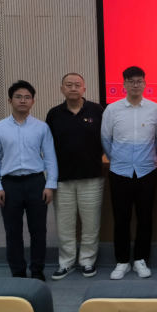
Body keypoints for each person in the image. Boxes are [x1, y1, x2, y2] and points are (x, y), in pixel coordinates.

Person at [0, 80, 58, 281]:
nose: (23, 100)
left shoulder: (41, 127)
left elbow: (50, 157)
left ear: (33, 102)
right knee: (13, 231)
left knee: (38, 231)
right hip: (9, 185)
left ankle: (37, 270)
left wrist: (50, 185)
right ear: (10, 100)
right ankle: (17, 271)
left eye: (27, 97)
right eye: (18, 97)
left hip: (36, 183)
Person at [101, 66, 157, 280]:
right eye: (131, 81)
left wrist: (150, 158)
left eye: (139, 81)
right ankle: (122, 261)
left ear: (145, 83)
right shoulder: (112, 109)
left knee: (145, 218)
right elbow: (106, 139)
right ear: (124, 84)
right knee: (121, 218)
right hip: (120, 172)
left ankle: (140, 259)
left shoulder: (155, 109)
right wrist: (117, 159)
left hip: (146, 171)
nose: (135, 85)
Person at [45, 73, 104, 280]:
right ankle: (66, 262)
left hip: (91, 177)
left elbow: (105, 140)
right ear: (62, 89)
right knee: (65, 225)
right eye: (68, 85)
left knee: (91, 224)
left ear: (84, 89)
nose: (73, 88)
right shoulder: (54, 114)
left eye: (77, 85)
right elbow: (48, 147)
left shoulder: (97, 111)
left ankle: (87, 261)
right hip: (63, 179)